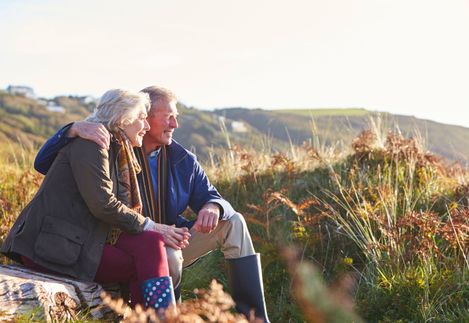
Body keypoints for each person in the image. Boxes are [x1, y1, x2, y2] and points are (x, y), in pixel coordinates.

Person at [33, 86, 270, 322]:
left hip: (171, 238)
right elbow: (46, 165)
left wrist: (213, 207)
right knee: (165, 253)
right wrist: (72, 130)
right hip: (131, 242)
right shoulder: (112, 148)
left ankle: (255, 319)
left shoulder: (183, 160)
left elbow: (211, 195)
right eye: (168, 117)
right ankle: (171, 316)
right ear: (141, 116)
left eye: (176, 117)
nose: (175, 124)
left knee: (234, 222)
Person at [1, 89, 185, 310]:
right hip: (54, 246)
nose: (146, 126)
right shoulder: (91, 143)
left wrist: (152, 231)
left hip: (85, 236)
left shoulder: (120, 148)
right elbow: (103, 205)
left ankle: (156, 317)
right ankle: (159, 317)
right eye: (141, 118)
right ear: (123, 118)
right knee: (146, 253)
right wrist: (151, 225)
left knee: (151, 243)